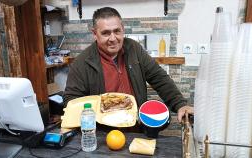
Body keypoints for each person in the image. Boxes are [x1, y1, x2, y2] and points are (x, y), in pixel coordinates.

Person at [64, 7, 193, 123]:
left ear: (123, 29)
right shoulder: (81, 63)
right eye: (106, 33)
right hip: (103, 134)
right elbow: (70, 101)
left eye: (117, 31)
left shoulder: (134, 49)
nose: (113, 38)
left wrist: (180, 104)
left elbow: (159, 78)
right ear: (94, 34)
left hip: (137, 128)